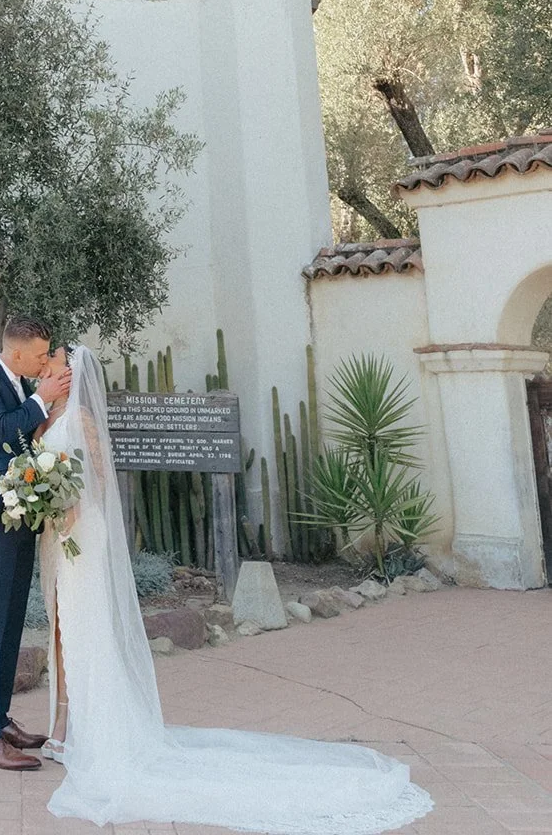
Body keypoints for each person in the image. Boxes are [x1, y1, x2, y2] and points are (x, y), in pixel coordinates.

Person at [36, 343, 435, 833]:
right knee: (64, 626)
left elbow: (95, 481)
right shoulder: (48, 419)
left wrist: (66, 507)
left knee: (86, 627)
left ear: (70, 375)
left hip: (82, 534)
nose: (47, 364)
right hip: (58, 538)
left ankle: (91, 733)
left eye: (54, 359)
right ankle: (65, 726)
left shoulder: (83, 421)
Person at [0, 313, 72, 772]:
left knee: (10, 622)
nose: (45, 363)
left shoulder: (23, 383)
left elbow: (29, 440)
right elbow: (4, 430)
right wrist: (44, 399)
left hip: (20, 513)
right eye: (41, 355)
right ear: (17, 351)